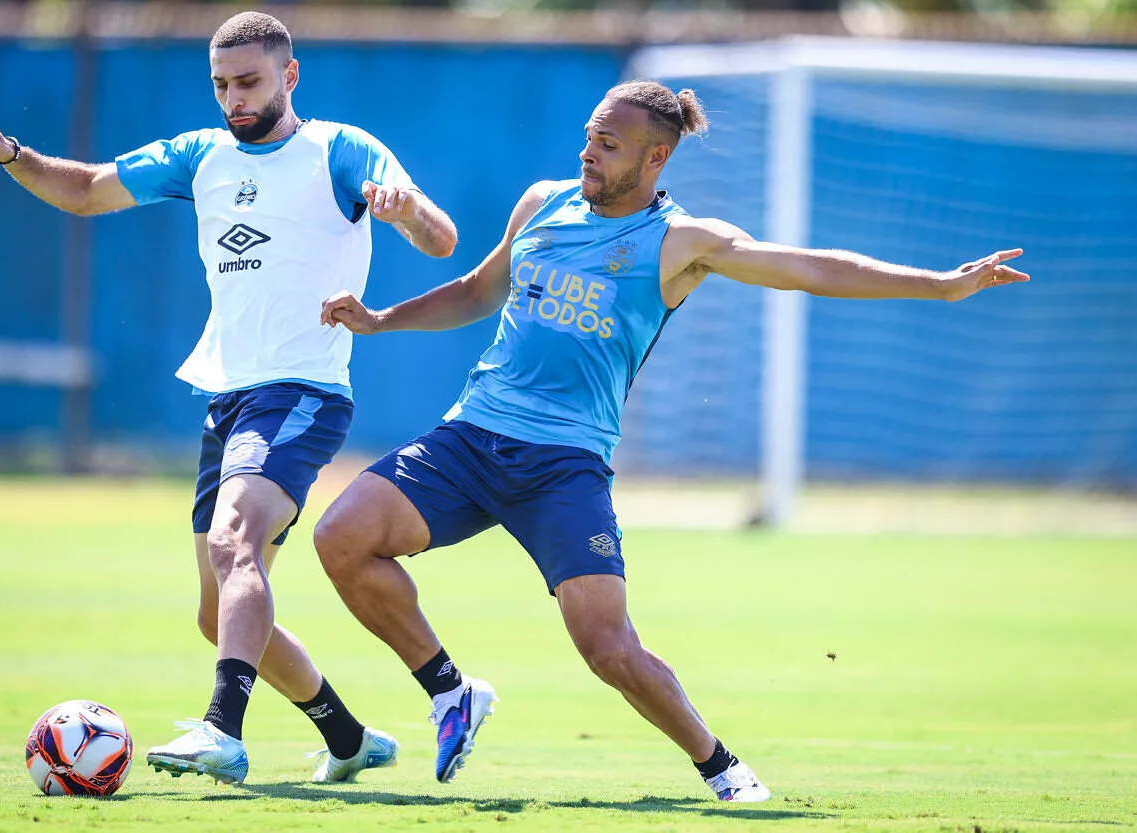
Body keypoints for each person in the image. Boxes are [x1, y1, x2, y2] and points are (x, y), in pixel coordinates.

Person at [311, 79, 1028, 800]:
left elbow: (810, 267)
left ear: (655, 158)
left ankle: (720, 764)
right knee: (342, 536)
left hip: (564, 466)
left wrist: (937, 284)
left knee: (608, 650)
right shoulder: (542, 202)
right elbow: (475, 290)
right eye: (589, 137)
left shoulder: (682, 242)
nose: (589, 153)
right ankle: (450, 691)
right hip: (472, 436)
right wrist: (381, 319)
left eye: (609, 145)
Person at [0, 11, 457, 787]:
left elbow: (442, 239)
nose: (232, 98)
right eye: (220, 84)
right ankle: (348, 739)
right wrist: (9, 153)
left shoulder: (341, 151)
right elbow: (85, 191)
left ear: (289, 75)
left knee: (235, 543)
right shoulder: (199, 154)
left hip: (302, 389)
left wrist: (405, 210)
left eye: (248, 81)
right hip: (228, 395)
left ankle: (223, 730)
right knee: (219, 614)